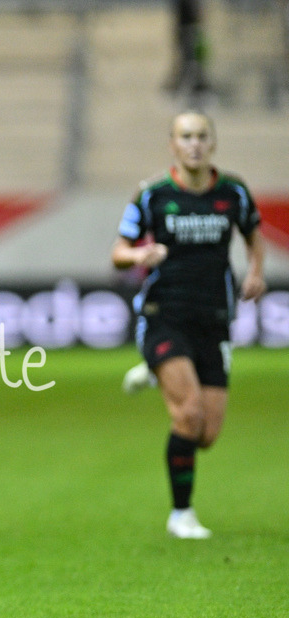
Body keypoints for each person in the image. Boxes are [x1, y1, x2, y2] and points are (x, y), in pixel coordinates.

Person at [111, 110, 265, 539]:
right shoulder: (153, 195)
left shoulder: (233, 192)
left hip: (214, 318)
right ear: (173, 145)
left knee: (207, 434)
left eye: (201, 135)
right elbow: (118, 251)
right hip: (165, 316)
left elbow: (255, 236)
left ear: (212, 142)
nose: (194, 143)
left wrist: (255, 272)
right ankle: (181, 514)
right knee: (189, 415)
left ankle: (154, 374)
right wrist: (139, 256)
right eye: (186, 136)